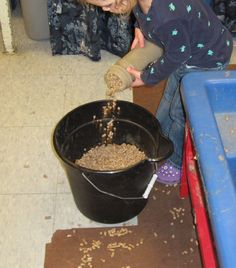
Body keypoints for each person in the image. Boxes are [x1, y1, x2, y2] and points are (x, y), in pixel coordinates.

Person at [80, 0, 233, 184]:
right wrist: (139, 27)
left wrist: (146, 77)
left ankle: (176, 162)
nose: (104, 8)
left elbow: (177, 56)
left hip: (206, 59)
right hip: (188, 49)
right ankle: (160, 134)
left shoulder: (166, 17)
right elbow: (143, 15)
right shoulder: (142, 3)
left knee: (180, 113)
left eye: (108, 3)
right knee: (170, 96)